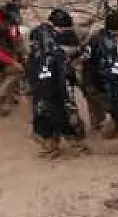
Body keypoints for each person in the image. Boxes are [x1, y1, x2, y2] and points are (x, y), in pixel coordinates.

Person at [27, 8, 84, 156]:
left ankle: (52, 144)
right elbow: (63, 68)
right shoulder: (55, 48)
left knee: (43, 112)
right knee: (61, 113)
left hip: (38, 80)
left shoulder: (38, 34)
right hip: (52, 81)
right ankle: (75, 144)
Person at [79, 12, 118, 135]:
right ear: (117, 28)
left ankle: (96, 132)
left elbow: (83, 58)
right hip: (97, 83)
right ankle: (110, 135)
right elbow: (107, 68)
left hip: (86, 79)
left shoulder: (94, 37)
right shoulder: (109, 44)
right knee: (116, 109)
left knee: (95, 111)